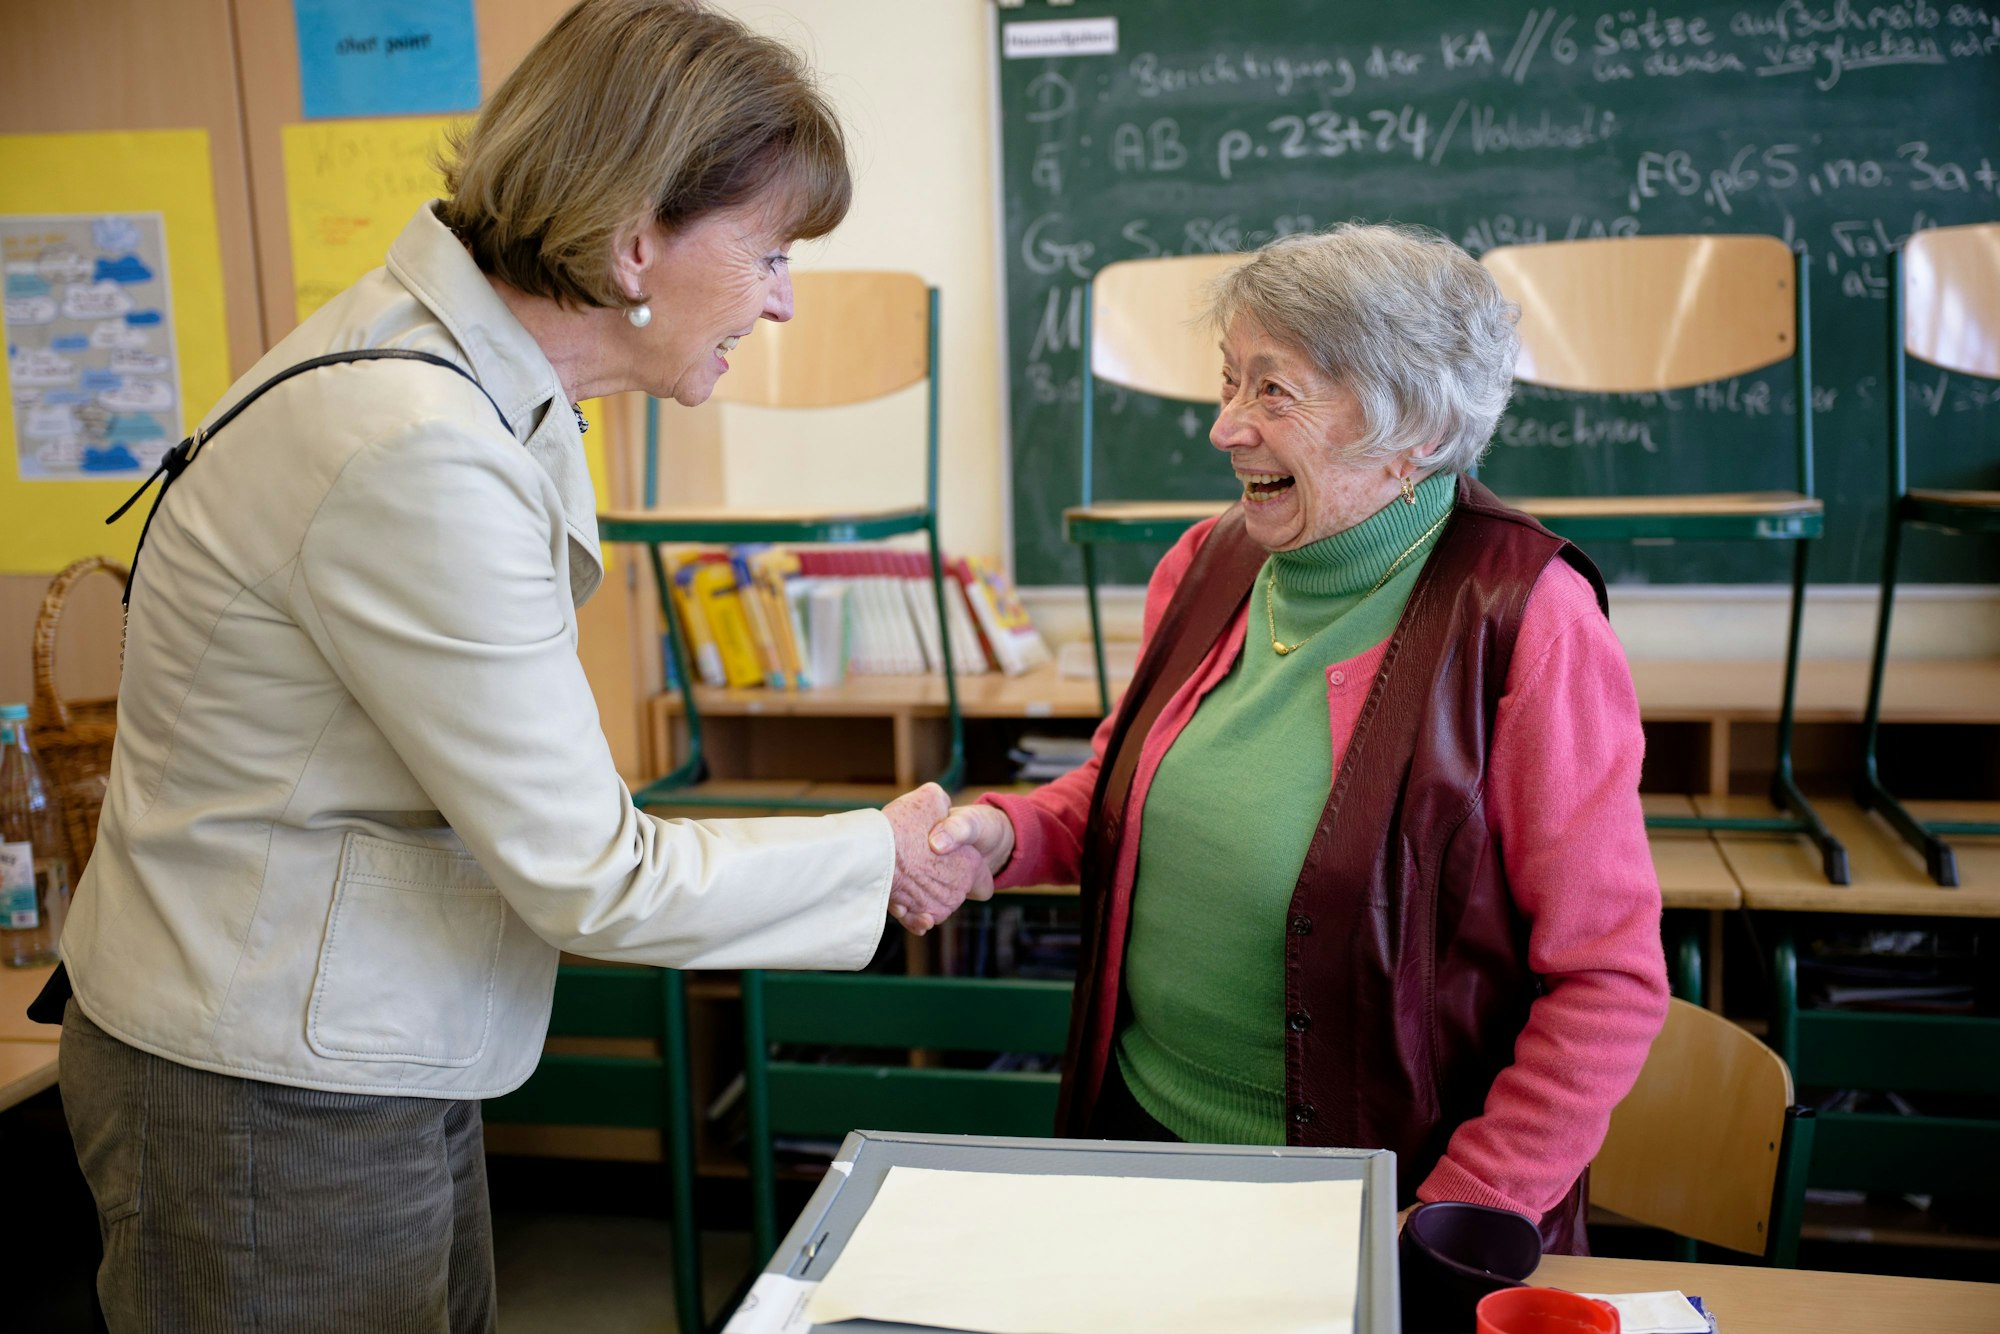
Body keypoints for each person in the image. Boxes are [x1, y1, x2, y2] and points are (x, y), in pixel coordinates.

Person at [50, 2, 986, 1328]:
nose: (783, 299)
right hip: (261, 1078)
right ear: (633, 237)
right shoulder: (412, 439)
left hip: (360, 1036)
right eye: (771, 253)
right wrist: (877, 859)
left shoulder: (472, 379)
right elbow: (590, 873)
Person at [927, 223, 1669, 1252]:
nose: (1223, 428)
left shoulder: (1525, 620)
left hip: (1377, 1200)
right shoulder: (1204, 562)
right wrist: (999, 835)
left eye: (1271, 391)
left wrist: (1453, 1214)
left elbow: (1608, 981)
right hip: (1137, 1137)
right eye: (1227, 382)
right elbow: (1117, 788)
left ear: (1409, 422)